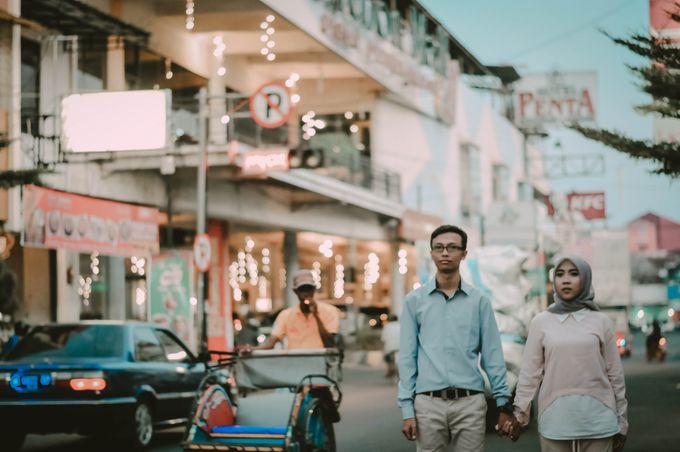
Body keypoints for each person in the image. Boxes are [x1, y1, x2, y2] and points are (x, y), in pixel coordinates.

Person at [398, 224, 514, 452]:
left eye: (452, 247)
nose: (444, 253)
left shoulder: (479, 301)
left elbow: (492, 355)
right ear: (431, 253)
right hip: (428, 403)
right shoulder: (415, 301)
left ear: (464, 254)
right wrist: (407, 409)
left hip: (470, 403)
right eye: (438, 248)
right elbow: (407, 358)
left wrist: (503, 402)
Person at [501, 255, 628, 452]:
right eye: (560, 274)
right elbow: (529, 374)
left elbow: (615, 376)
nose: (566, 280)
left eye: (574, 274)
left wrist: (622, 422)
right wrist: (519, 415)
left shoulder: (601, 321)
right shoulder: (541, 322)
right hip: (555, 421)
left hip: (599, 420)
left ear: (585, 279)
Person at [255, 269, 340, 350]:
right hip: (295, 363)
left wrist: (316, 315)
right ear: (296, 291)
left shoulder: (330, 311)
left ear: (314, 289)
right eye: (302, 290)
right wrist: (253, 349)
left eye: (309, 289)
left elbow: (330, 344)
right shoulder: (286, 315)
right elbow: (272, 341)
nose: (306, 293)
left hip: (322, 362)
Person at [381, 315, 400, 380]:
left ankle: (389, 370)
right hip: (400, 347)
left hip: (390, 347)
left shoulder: (387, 326)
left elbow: (383, 339)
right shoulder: (400, 326)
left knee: (388, 358)